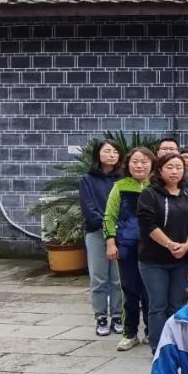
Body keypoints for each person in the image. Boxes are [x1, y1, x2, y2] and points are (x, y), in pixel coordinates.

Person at [137, 152, 188, 353]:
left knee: (177, 304)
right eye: (169, 167)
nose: (174, 171)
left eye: (178, 167)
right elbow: (148, 224)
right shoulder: (149, 194)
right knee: (158, 305)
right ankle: (159, 347)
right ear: (160, 170)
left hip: (181, 260)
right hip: (153, 260)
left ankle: (177, 344)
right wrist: (170, 245)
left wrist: (187, 245)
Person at [104, 146, 155, 351]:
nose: (139, 165)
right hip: (126, 246)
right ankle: (130, 333)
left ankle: (152, 332)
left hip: (153, 247)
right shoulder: (120, 186)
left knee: (151, 291)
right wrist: (110, 242)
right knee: (129, 290)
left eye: (144, 161)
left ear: (152, 164)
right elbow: (109, 216)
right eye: (135, 161)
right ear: (128, 164)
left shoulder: (157, 186)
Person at [81, 140, 123, 337]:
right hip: (97, 233)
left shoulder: (123, 179)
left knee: (117, 278)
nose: (111, 155)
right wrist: (108, 225)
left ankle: (117, 315)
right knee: (98, 277)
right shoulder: (87, 179)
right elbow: (88, 209)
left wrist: (117, 227)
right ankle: (101, 316)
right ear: (98, 154)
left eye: (115, 152)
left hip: (120, 233)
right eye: (107, 151)